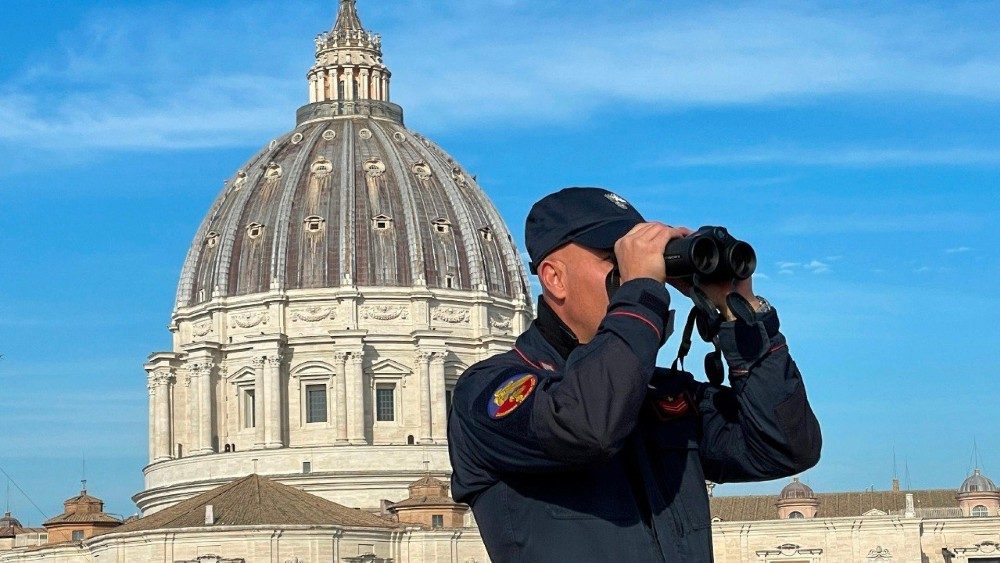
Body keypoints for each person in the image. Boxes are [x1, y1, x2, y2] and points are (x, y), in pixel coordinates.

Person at [447, 187, 822, 562]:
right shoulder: (487, 390)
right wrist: (640, 293)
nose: (639, 272)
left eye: (643, 260)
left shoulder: (662, 395)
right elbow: (587, 425)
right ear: (554, 278)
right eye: (616, 258)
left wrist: (742, 318)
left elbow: (784, 447)